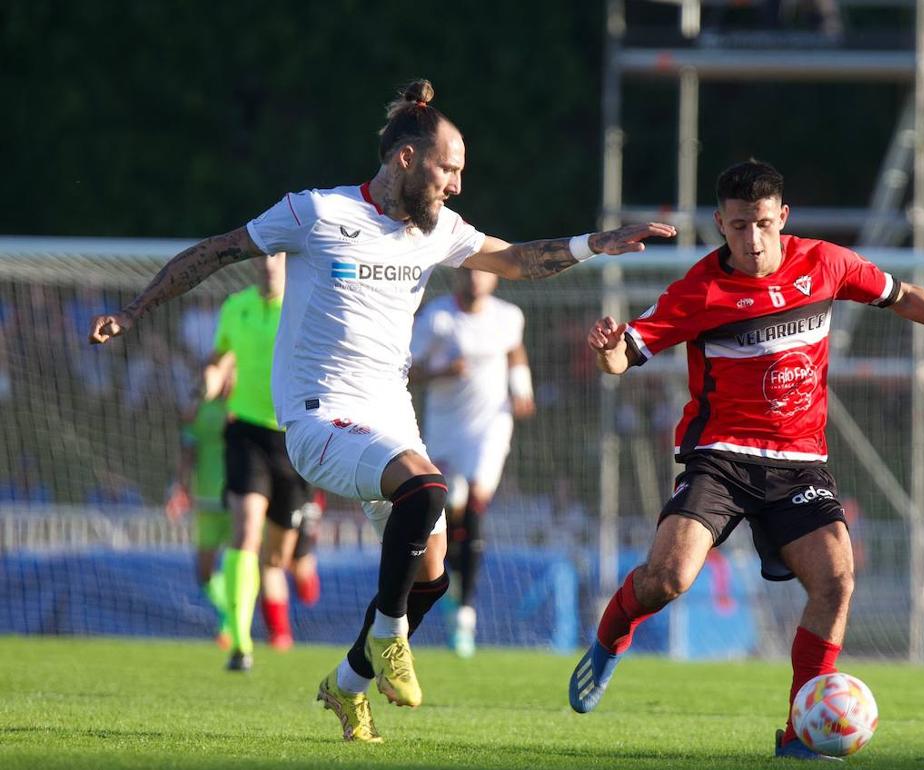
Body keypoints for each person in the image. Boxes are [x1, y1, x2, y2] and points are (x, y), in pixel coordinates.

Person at [88, 77, 675, 743]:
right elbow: (216, 252)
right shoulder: (315, 213)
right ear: (406, 159)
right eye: (448, 169)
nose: (456, 185)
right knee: (427, 490)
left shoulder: (437, 231)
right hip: (316, 419)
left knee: (430, 575)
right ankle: (391, 636)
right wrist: (134, 311)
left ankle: (346, 685)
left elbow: (515, 259)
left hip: (389, 418)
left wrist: (596, 244)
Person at [566, 159, 924, 760]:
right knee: (667, 581)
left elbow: (903, 296)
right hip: (721, 460)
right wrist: (607, 351)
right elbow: (623, 359)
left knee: (837, 579)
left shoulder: (827, 263)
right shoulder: (699, 290)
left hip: (800, 464)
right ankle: (613, 636)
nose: (752, 240)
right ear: (720, 224)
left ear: (782, 218)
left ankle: (799, 737)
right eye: (738, 227)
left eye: (762, 224)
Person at [408, 268, 535, 658]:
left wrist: (522, 389)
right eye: (471, 272)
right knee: (454, 510)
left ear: (495, 279)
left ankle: (465, 611)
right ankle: (455, 589)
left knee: (476, 502)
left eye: (485, 273)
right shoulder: (438, 318)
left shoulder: (507, 316)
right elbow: (408, 370)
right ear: (459, 276)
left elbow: (514, 349)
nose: (477, 280)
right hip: (446, 432)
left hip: (491, 427)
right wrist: (443, 370)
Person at [204, 253, 317, 670]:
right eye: (265, 259)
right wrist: (211, 382)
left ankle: (300, 571)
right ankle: (240, 642)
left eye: (279, 260)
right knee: (245, 531)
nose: (270, 266)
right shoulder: (236, 306)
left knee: (277, 559)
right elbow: (220, 358)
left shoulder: (307, 306)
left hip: (294, 436)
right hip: (246, 432)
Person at [165, 358, 235, 650]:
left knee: (237, 565)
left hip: (238, 500)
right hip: (206, 500)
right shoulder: (197, 411)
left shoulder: (242, 410)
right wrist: (180, 488)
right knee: (204, 572)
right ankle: (230, 615)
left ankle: (229, 626)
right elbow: (188, 451)